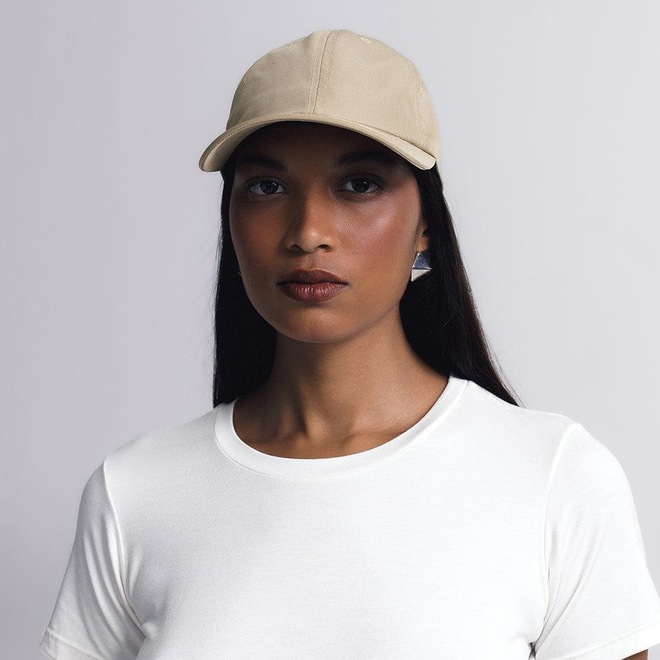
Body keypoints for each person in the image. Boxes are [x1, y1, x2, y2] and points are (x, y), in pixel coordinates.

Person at [40, 30, 660, 660]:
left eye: (359, 184)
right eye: (267, 187)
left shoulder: (553, 477)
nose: (308, 231)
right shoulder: (135, 491)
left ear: (425, 226)